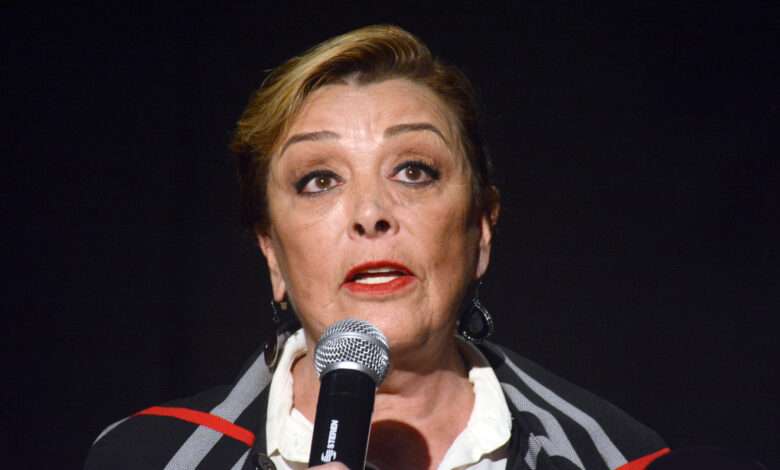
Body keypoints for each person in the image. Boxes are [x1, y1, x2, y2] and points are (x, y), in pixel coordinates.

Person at [85, 25, 670, 470]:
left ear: (481, 228)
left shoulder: (622, 460)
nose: (370, 214)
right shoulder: (149, 458)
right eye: (319, 180)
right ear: (271, 253)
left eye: (414, 171)